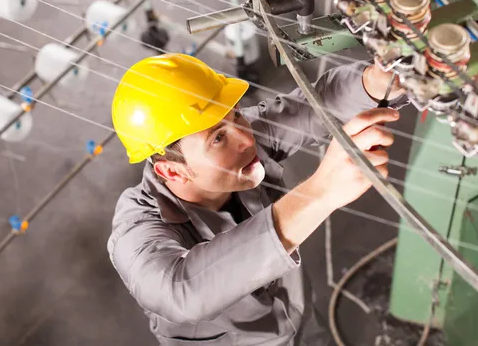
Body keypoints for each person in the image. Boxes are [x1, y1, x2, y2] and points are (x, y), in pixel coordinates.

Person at [108, 53, 407, 345]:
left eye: (236, 112)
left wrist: (379, 80)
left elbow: (315, 106)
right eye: (218, 138)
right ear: (172, 171)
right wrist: (318, 193)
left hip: (303, 329)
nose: (247, 138)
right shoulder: (136, 232)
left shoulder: (237, 138)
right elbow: (181, 292)